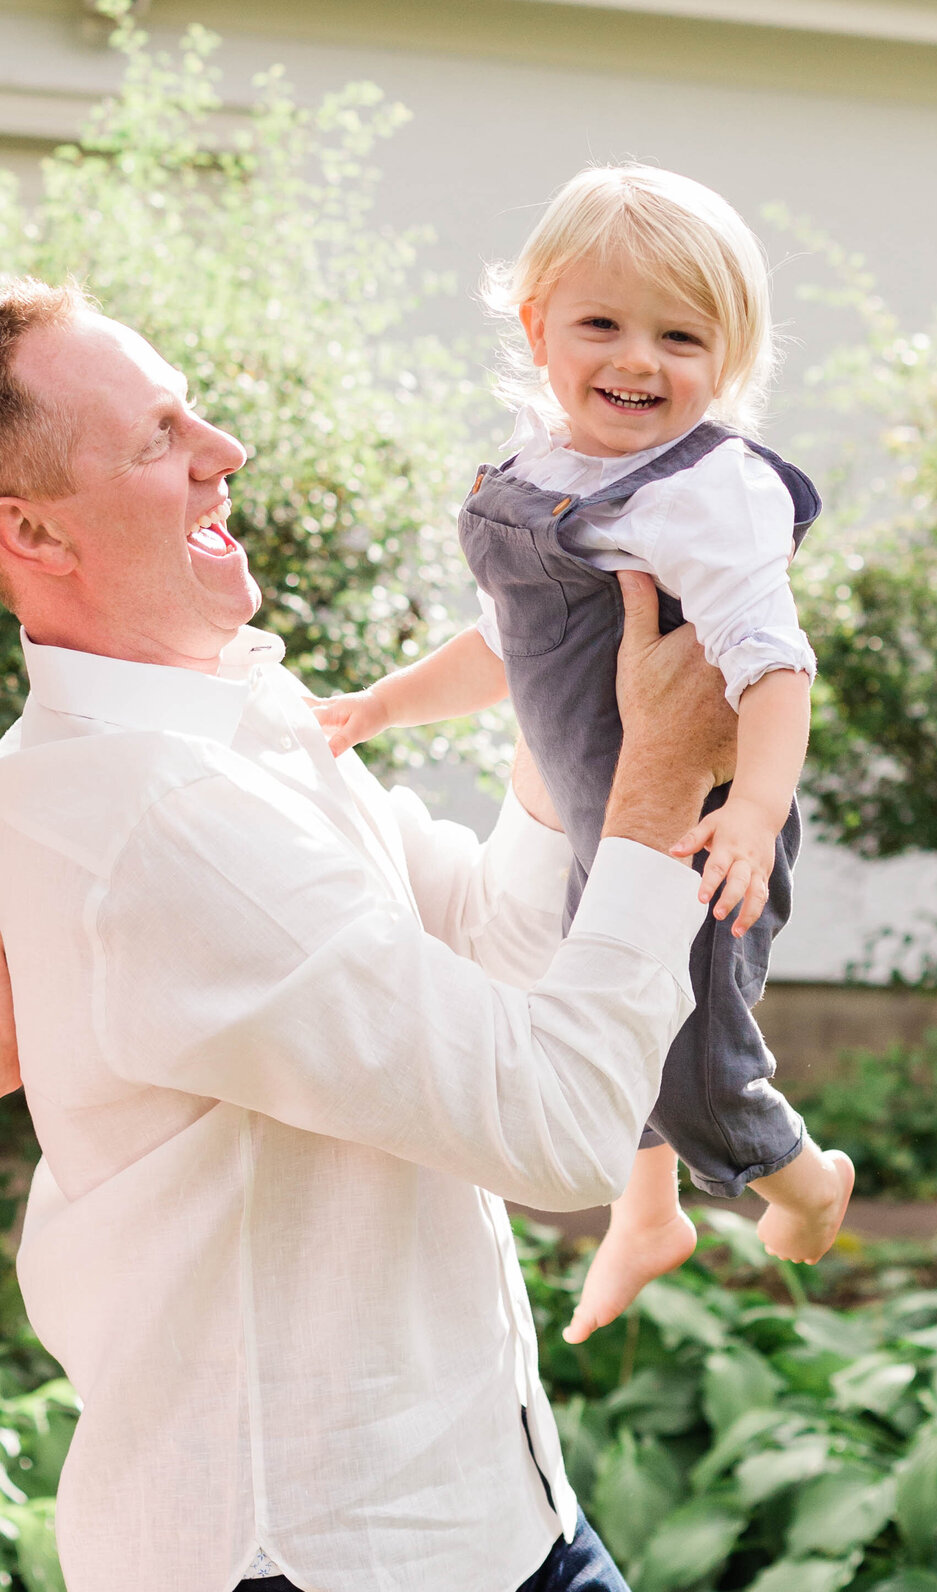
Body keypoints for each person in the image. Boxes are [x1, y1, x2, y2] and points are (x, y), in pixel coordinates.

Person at [0, 276, 742, 1592]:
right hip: (327, 1552)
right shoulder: (155, 823)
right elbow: (558, 1131)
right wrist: (657, 793)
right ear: (33, 534)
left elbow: (484, 946)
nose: (223, 454)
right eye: (158, 438)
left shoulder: (236, 718)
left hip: (493, 1511)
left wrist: (562, 729)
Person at [313, 164, 855, 1346]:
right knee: (607, 1013)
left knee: (694, 1059)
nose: (638, 360)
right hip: (587, 813)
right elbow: (508, 644)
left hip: (702, 824)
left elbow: (773, 667)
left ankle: (808, 1183)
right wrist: (384, 707)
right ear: (537, 327)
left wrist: (755, 812)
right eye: (602, 324)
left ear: (733, 359)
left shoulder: (708, 493)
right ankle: (646, 1216)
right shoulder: (540, 473)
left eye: (681, 336)